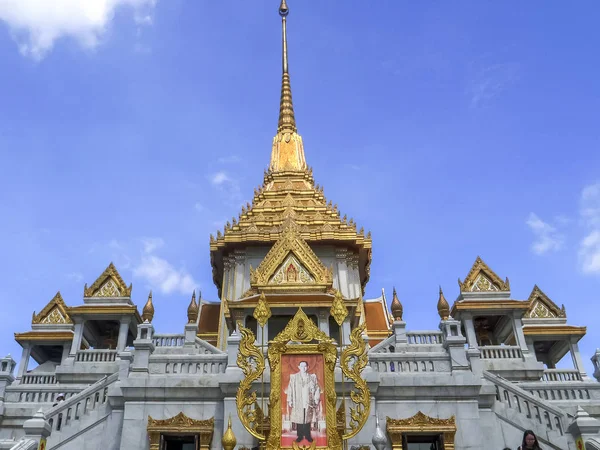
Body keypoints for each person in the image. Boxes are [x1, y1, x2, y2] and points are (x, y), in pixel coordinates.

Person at [285, 361, 321, 443]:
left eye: (305, 366)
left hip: (308, 401)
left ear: (308, 367)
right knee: (299, 419)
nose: (303, 368)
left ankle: (308, 436)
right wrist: (290, 400)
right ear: (298, 367)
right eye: (301, 366)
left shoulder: (312, 377)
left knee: (307, 419)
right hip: (298, 400)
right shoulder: (294, 377)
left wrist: (316, 399)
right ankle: (300, 436)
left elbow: (317, 388)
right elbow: (290, 389)